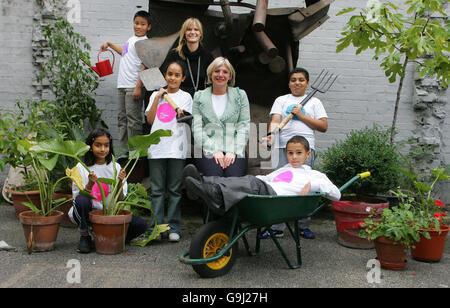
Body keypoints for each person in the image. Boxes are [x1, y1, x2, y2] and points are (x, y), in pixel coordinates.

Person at [183, 135, 340, 214]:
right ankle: (201, 183)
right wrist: (255, 179)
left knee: (252, 183)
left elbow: (337, 194)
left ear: (307, 154)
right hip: (264, 192)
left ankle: (210, 191)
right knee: (245, 180)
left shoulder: (314, 175)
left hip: (274, 200)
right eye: (290, 153)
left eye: (299, 153)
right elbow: (267, 178)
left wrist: (313, 185)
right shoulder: (284, 169)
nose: (294, 157)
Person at [263, 67, 329, 239]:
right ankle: (276, 227)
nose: (297, 83)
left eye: (301, 79)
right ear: (289, 83)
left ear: (307, 83)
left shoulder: (315, 102)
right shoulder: (281, 100)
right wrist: (271, 135)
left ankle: (303, 225)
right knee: (280, 185)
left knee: (304, 185)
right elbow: (276, 120)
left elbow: (323, 126)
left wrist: (301, 115)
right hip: (283, 146)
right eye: (293, 80)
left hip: (305, 149)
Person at [69, 128, 147, 253]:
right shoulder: (81, 167)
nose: (102, 149)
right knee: (82, 200)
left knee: (141, 225)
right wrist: (90, 184)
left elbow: (120, 198)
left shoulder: (115, 167)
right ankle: (85, 235)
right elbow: (78, 199)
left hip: (110, 215)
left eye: (106, 145)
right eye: (98, 145)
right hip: (88, 214)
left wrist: (120, 181)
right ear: (90, 146)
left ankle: (110, 237)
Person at [144, 60, 193, 242]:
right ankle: (156, 228)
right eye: (170, 74)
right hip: (157, 148)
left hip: (176, 149)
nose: (172, 78)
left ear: (182, 78)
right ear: (165, 76)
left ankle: (174, 227)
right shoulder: (154, 95)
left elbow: (187, 119)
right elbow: (149, 120)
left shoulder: (185, 97)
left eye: (177, 75)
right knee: (156, 191)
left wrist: (181, 114)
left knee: (174, 190)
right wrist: (158, 97)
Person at [100, 10, 152, 148]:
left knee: (133, 121)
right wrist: (110, 44)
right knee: (122, 120)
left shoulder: (145, 42)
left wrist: (138, 87)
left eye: (142, 24)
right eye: (136, 23)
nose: (138, 26)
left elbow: (145, 65)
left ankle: (134, 154)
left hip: (133, 86)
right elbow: (124, 51)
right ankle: (123, 153)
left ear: (148, 27)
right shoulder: (132, 39)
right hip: (122, 85)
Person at [192, 57, 250, 178]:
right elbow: (197, 128)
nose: (220, 75)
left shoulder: (240, 95)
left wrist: (233, 150)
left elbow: (244, 125)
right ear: (210, 74)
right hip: (207, 149)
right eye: (216, 71)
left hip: (234, 148)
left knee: (233, 176)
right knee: (214, 176)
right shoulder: (199, 97)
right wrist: (214, 150)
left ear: (230, 76)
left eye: (225, 72)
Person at [161, 17, 214, 98]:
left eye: (196, 29)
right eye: (189, 29)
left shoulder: (207, 56)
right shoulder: (174, 55)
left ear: (200, 34)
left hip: (200, 100)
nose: (192, 32)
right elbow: (164, 78)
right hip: (178, 100)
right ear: (184, 33)